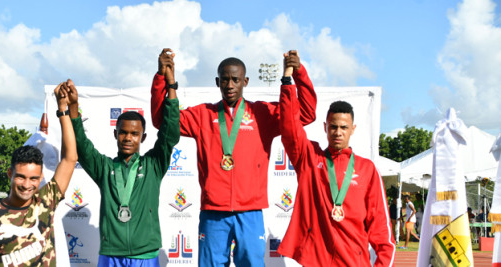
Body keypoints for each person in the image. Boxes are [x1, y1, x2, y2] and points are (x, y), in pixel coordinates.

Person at [151, 49, 317, 266]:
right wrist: (162, 78)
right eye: (225, 80)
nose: (230, 85)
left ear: (245, 81)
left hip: (250, 212)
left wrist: (298, 74)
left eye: (236, 80)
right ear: (217, 82)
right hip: (213, 214)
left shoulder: (262, 114)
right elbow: (162, 121)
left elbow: (305, 113)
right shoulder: (202, 115)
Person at [276, 63, 395, 266]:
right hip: (317, 261)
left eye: (343, 127)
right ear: (325, 127)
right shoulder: (310, 159)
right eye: (333, 127)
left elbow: (381, 228)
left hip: (354, 261)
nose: (338, 132)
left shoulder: (366, 169)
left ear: (352, 129)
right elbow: (289, 127)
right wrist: (290, 79)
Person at [65, 65, 180, 266]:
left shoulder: (154, 164)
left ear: (142, 137)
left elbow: (169, 134)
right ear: (115, 134)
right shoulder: (104, 168)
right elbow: (82, 146)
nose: (128, 138)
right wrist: (73, 107)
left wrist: (171, 85)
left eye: (134, 134)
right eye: (123, 132)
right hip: (111, 254)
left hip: (145, 255)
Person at [0, 81, 78, 266]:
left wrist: (63, 109)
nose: (27, 185)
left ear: (41, 177)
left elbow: (70, 158)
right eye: (21, 177)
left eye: (34, 178)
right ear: (10, 173)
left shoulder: (46, 201)